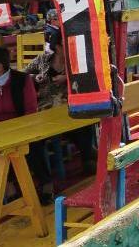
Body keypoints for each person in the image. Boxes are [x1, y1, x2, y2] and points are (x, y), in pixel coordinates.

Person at [25, 30, 97, 173]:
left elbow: (89, 79)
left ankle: (88, 158)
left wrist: (68, 79)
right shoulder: (43, 60)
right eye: (68, 43)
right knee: (33, 139)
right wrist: (35, 77)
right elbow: (22, 76)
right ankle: (44, 177)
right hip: (45, 109)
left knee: (82, 124)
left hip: (69, 106)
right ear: (58, 47)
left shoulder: (77, 62)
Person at [0, 46, 51, 193]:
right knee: (0, 145)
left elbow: (30, 109)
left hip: (22, 127)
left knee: (33, 145)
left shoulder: (22, 80)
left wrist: (17, 128)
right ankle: (8, 186)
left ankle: (45, 184)